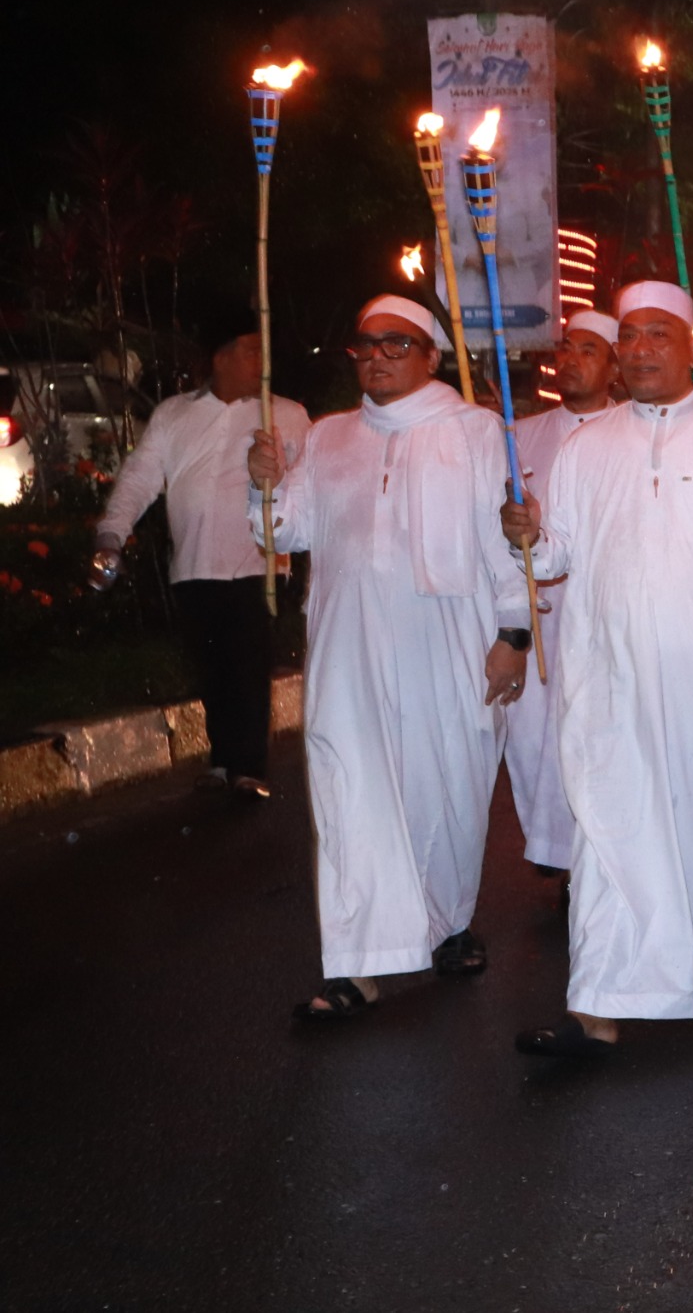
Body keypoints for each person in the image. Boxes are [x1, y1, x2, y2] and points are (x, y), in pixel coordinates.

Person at [502, 281, 693, 1056]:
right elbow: (558, 556)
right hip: (610, 672)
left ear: (689, 347)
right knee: (613, 823)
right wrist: (529, 538)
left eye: (658, 335)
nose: (641, 349)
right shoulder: (587, 445)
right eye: (630, 336)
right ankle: (600, 1003)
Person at [246, 295, 532, 1021]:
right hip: (348, 645)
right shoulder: (331, 435)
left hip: (450, 640)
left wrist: (513, 634)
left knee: (449, 792)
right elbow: (286, 532)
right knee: (350, 789)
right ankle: (360, 961)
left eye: (394, 344)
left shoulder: (475, 430)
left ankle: (446, 925)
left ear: (430, 355)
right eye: (365, 343)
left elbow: (508, 542)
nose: (375, 356)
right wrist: (265, 482)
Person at [91, 304, 311, 800]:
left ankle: (249, 765)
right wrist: (111, 532)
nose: (262, 359)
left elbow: (311, 488)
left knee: (248, 663)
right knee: (211, 665)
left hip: (256, 565)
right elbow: (142, 478)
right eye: (251, 349)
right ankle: (223, 760)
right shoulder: (175, 414)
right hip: (192, 567)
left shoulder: (286, 416)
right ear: (220, 356)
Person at [503, 307, 620, 874]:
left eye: (589, 350)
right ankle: (557, 852)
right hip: (542, 616)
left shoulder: (633, 434)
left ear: (615, 366)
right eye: (566, 348)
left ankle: (601, 856)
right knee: (536, 741)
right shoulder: (520, 439)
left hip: (609, 618)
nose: (571, 359)